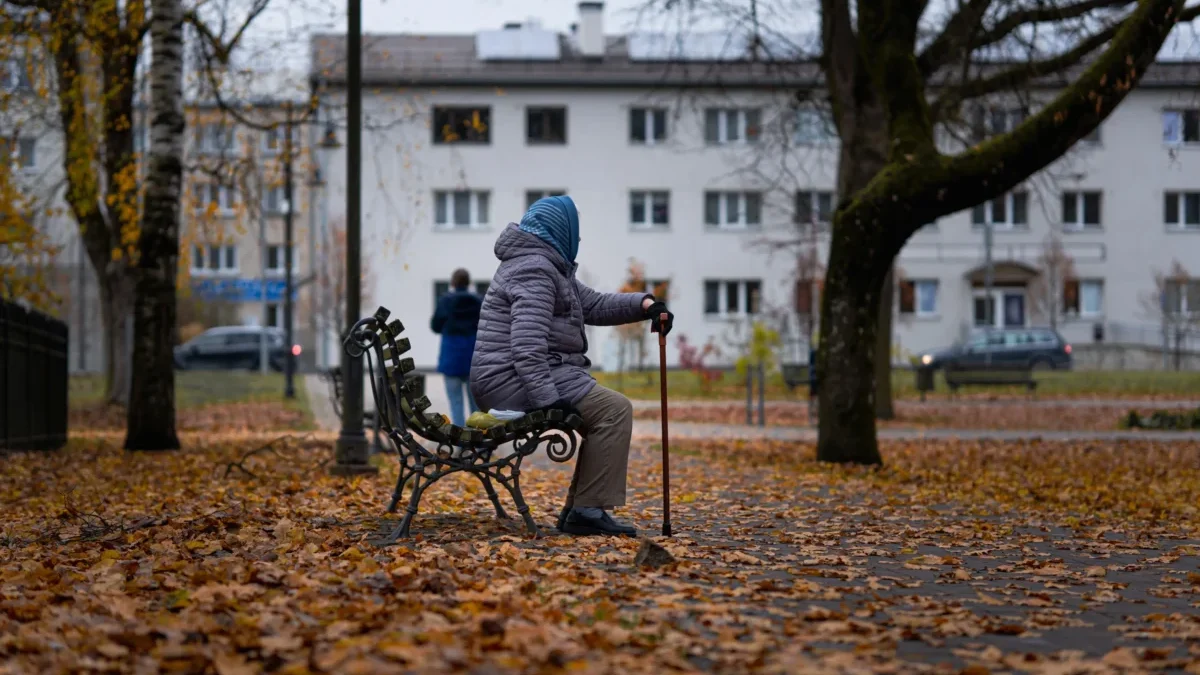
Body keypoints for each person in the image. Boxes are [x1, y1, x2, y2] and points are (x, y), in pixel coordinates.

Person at [470, 195, 674, 537]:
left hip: (524, 374)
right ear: (560, 231)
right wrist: (548, 400)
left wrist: (645, 303)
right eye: (575, 233)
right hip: (512, 379)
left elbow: (594, 304)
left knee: (608, 410)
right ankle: (586, 510)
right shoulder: (534, 269)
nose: (578, 241)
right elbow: (526, 346)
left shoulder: (545, 266)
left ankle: (582, 509)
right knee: (614, 410)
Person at [431, 268, 483, 427]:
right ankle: (478, 440)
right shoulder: (478, 301)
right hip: (473, 358)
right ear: (468, 283)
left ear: (453, 283)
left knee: (456, 403)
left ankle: (461, 443)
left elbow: (435, 326)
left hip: (451, 357)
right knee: (476, 406)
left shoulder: (445, 301)